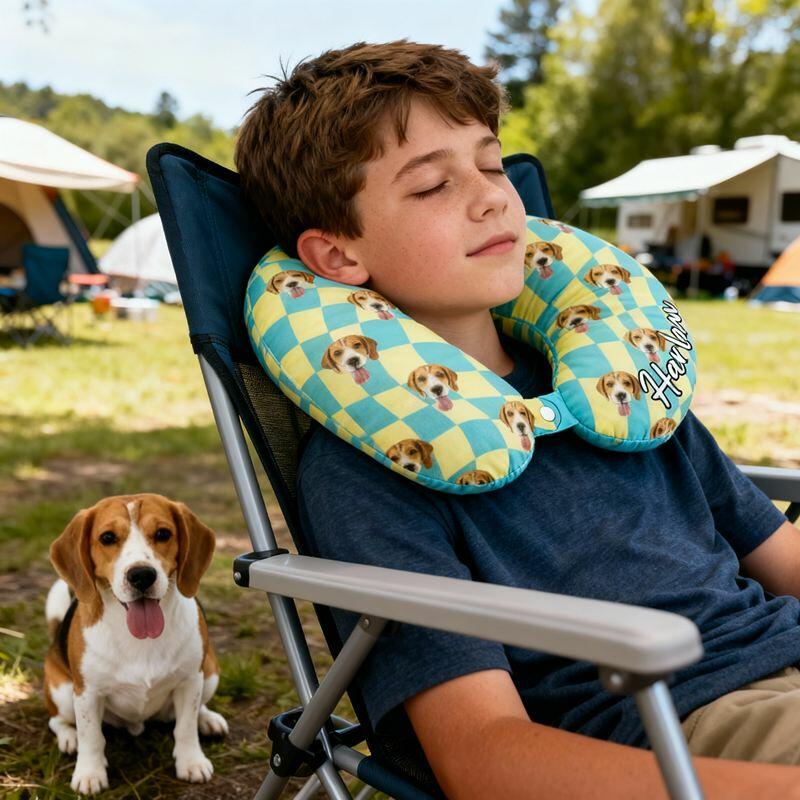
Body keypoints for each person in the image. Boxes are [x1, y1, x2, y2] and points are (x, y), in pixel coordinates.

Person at [235, 40, 800, 799]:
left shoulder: (621, 392)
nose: (493, 198)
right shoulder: (376, 470)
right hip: (688, 730)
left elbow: (783, 560)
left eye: (493, 165)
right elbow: (483, 758)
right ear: (337, 257)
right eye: (433, 184)